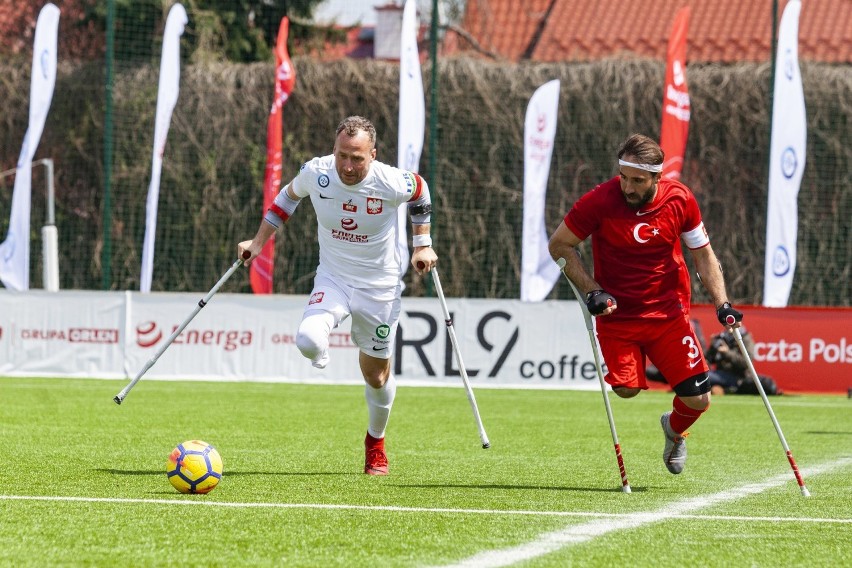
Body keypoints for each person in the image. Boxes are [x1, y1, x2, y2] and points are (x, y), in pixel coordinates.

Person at [238, 116, 438, 476]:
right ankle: (323, 351)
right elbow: (287, 198)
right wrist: (257, 243)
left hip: (381, 286)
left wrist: (422, 244)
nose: (347, 166)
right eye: (342, 155)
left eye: (357, 158)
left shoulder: (391, 181)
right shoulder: (318, 172)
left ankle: (375, 442)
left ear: (372, 155)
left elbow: (421, 190)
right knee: (308, 339)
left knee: (376, 377)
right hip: (333, 278)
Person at [548, 133, 743, 475]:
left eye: (637, 180)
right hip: (617, 315)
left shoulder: (680, 200)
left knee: (699, 399)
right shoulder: (599, 201)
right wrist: (592, 291)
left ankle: (674, 429)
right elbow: (560, 245)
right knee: (625, 390)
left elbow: (703, 254)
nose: (627, 187)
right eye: (623, 177)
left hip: (668, 315)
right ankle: (643, 387)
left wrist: (722, 303)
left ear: (657, 177)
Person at [705, 327, 780, 396]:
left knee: (705, 377)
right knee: (702, 375)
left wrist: (727, 353)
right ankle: (722, 389)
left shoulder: (745, 338)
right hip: (721, 373)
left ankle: (725, 389)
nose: (728, 325)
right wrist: (712, 347)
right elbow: (709, 360)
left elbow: (746, 363)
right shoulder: (722, 337)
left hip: (739, 376)